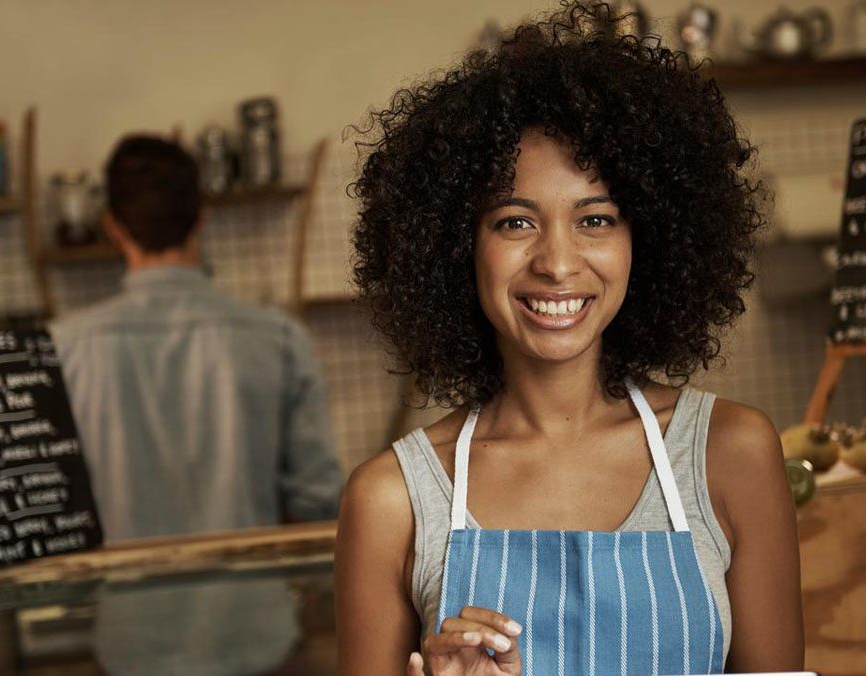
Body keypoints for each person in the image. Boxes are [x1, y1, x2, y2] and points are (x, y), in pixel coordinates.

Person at [335, 3, 804, 675]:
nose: (557, 262)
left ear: (649, 237)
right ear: (455, 248)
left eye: (596, 219)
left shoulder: (730, 456)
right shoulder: (393, 499)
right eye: (514, 223)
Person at [50, 135, 342, 675]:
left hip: (131, 643)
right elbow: (320, 500)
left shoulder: (62, 350)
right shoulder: (276, 337)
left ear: (113, 225)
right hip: (258, 638)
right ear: (202, 218)